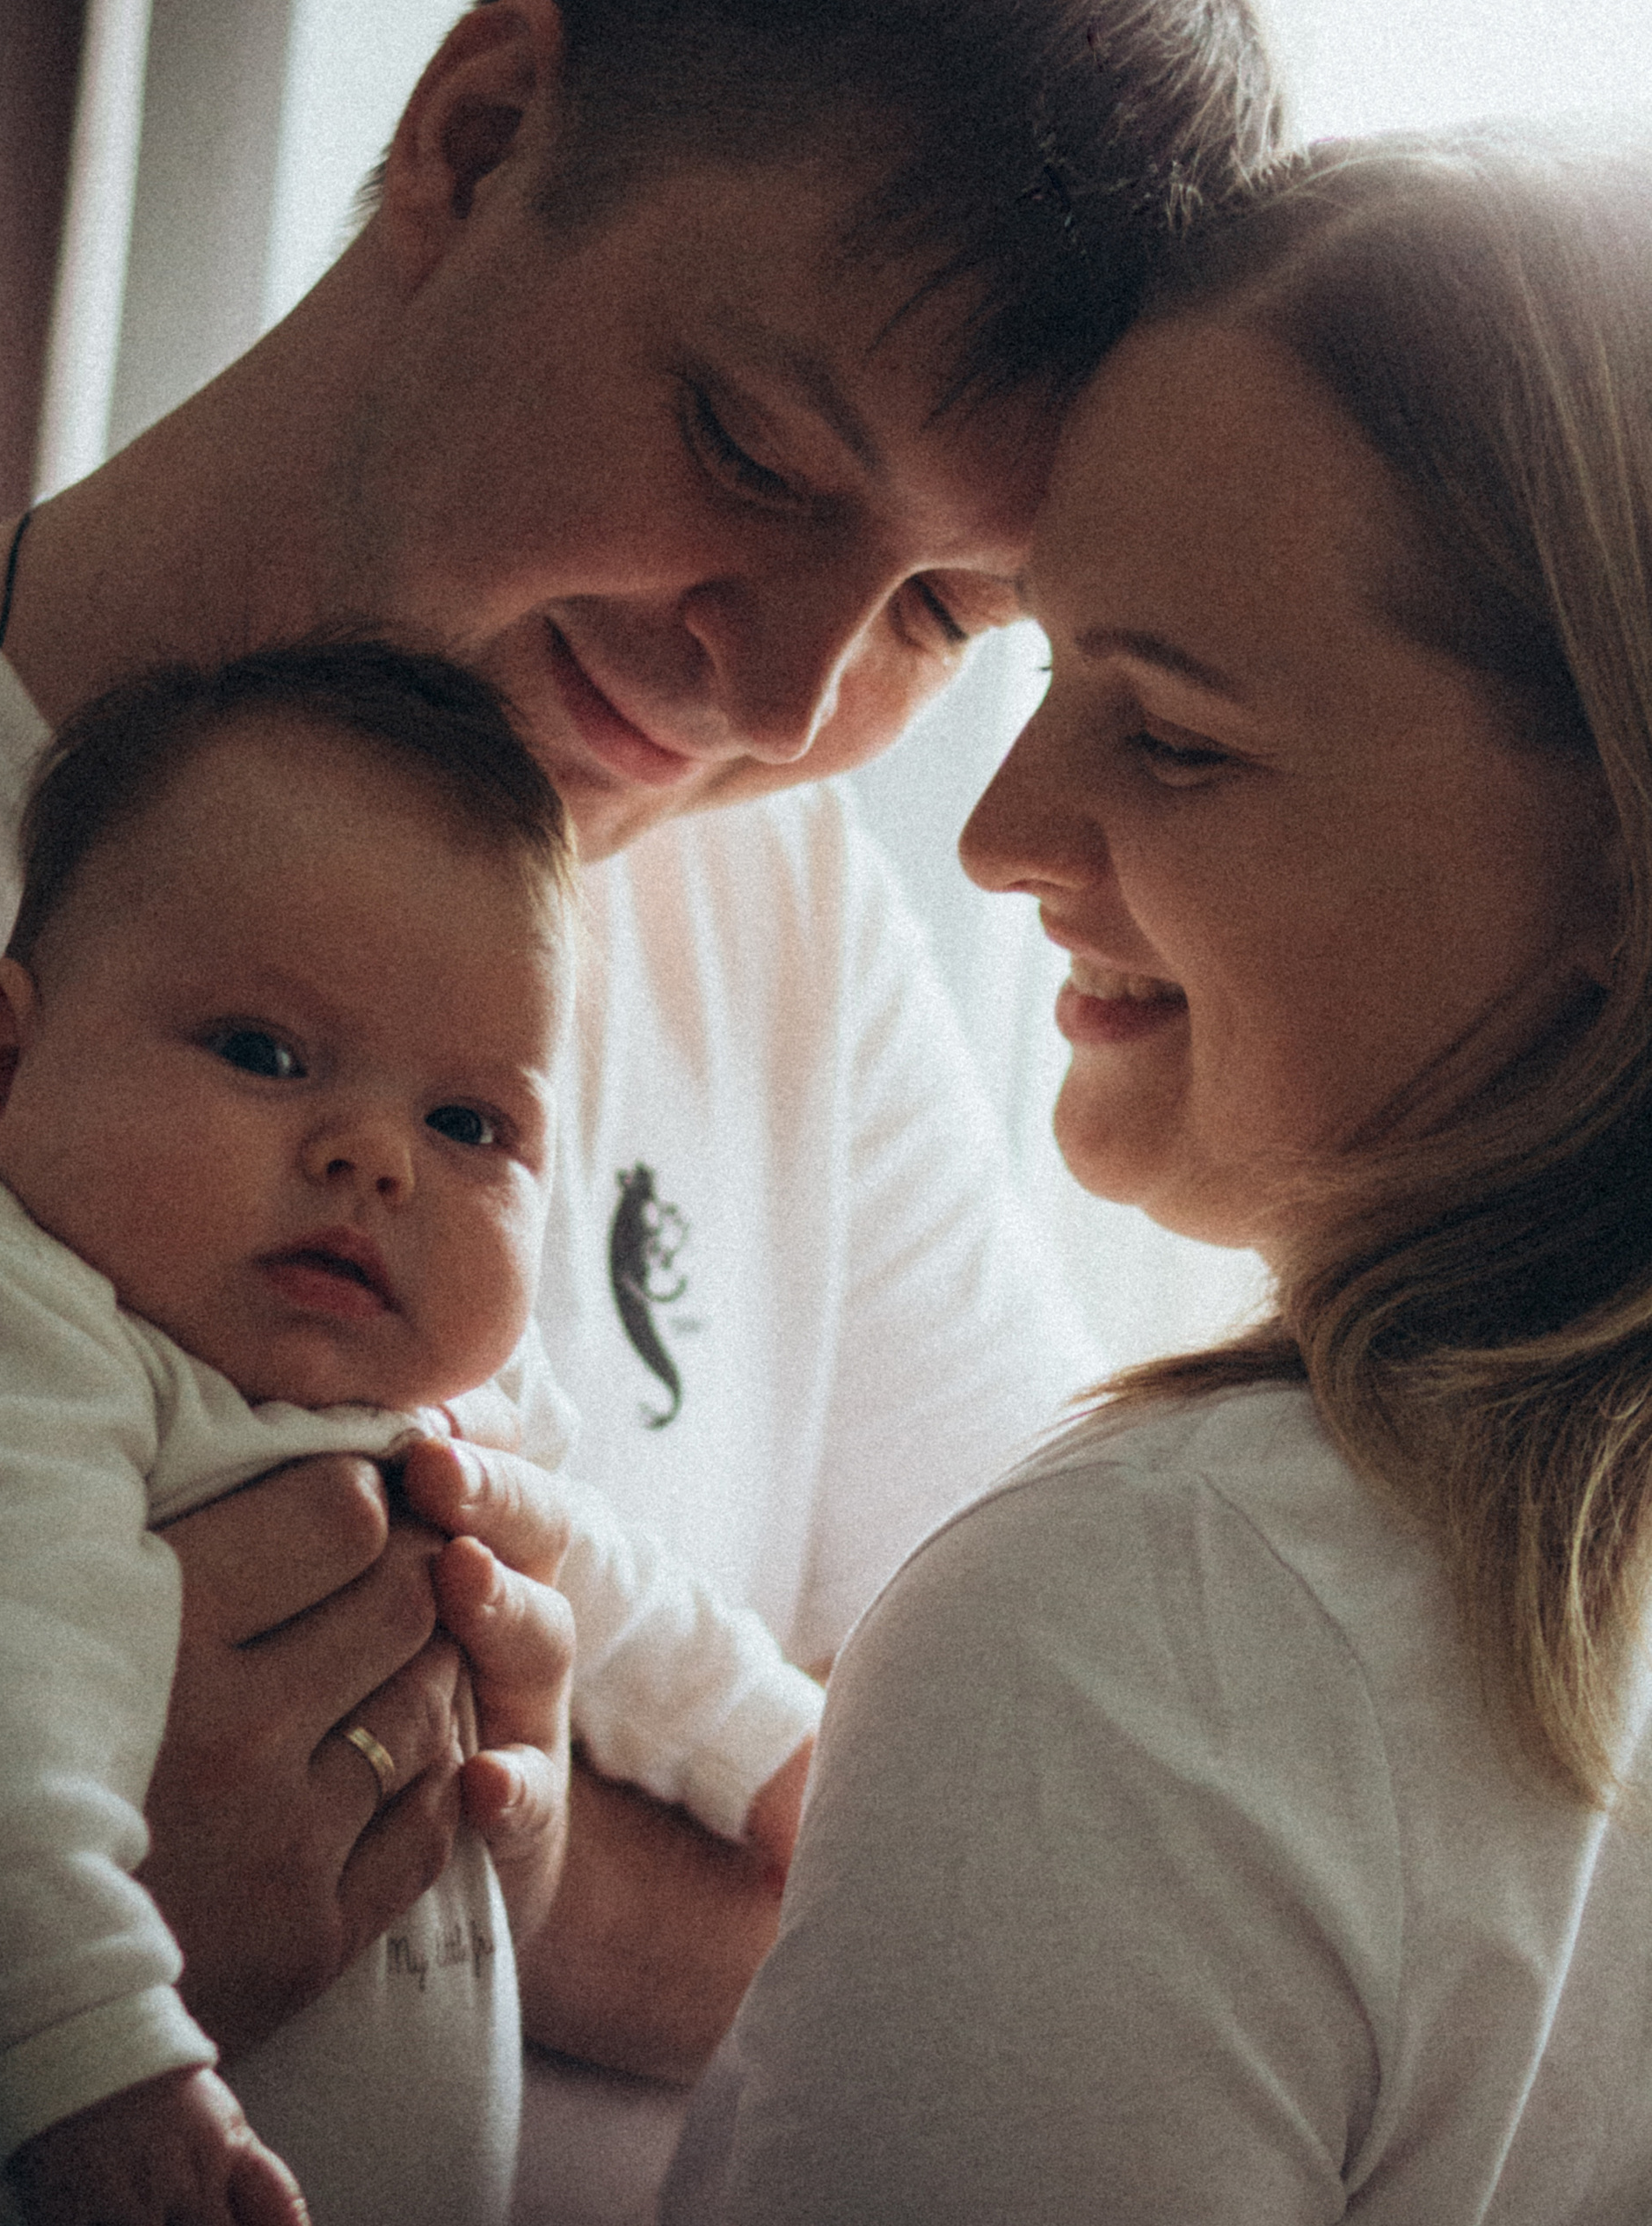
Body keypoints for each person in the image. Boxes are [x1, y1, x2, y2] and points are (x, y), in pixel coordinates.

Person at [0, 3, 1281, 2216]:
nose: (778, 694)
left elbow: (1022, 1873)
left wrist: (499, 1850)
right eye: (754, 459)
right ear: (476, 132)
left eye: (936, 611)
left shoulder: (773, 911)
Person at [661, 127, 1652, 2222]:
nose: (998, 831)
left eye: (1175, 735)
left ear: (1616, 867)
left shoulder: (1145, 1637)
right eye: (1034, 668)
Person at [0, 642, 818, 2226]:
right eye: (264, 1053)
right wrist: (91, 2062)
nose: (371, 1160)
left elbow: (611, 1588)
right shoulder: (13, 1329)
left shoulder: (442, 1398)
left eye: (471, 1124)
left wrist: (788, 1756)